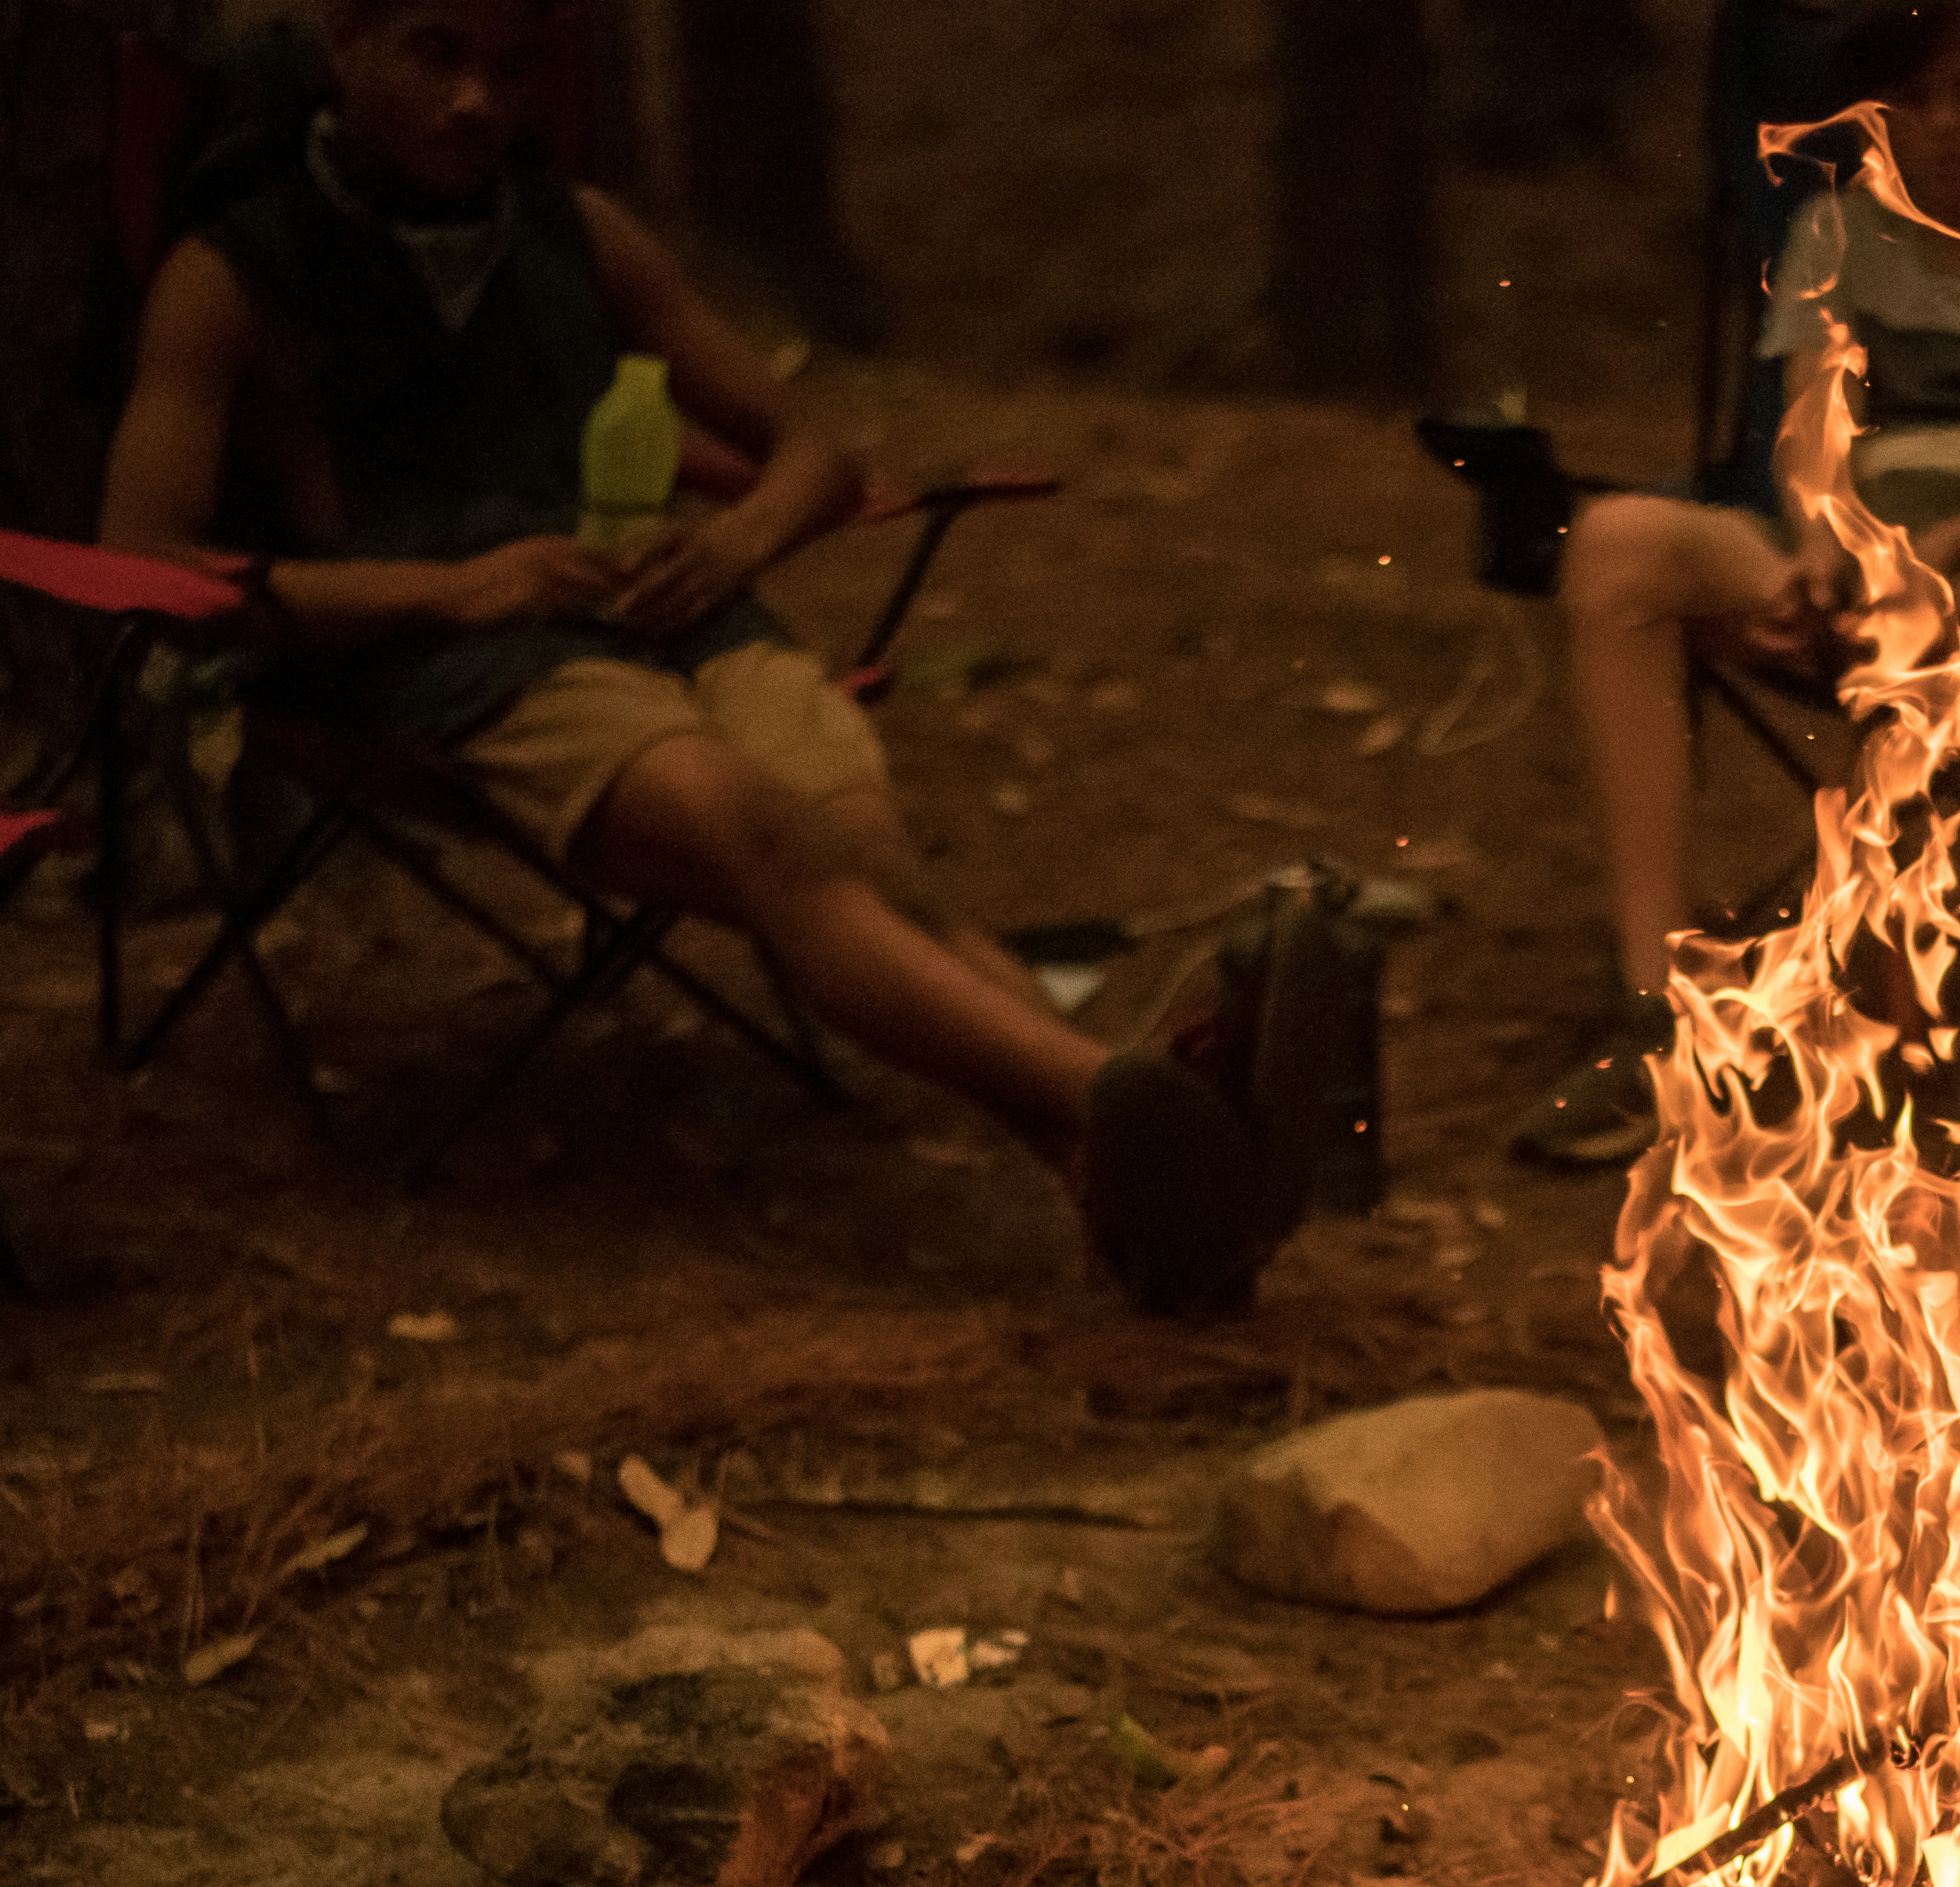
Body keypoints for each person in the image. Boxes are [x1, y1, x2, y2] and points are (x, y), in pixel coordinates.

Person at [100, 0, 1296, 1313]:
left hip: (675, 610)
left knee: (870, 853)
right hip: (463, 661)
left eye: (509, 67)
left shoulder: (581, 231)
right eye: (436, 55)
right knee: (756, 831)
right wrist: (451, 590)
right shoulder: (233, 275)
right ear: (346, 48)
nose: (476, 104)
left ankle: (1121, 1164)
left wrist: (734, 549)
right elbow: (149, 566)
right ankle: (1115, 1091)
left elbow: (817, 454)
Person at [1520, 0, 1960, 1195]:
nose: (1944, 124)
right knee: (1619, 543)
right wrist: (1825, 553)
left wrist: (1929, 558)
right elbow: (1812, 436)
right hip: (1863, 540)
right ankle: (1656, 1018)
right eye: (1918, 98)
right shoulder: (1841, 226)